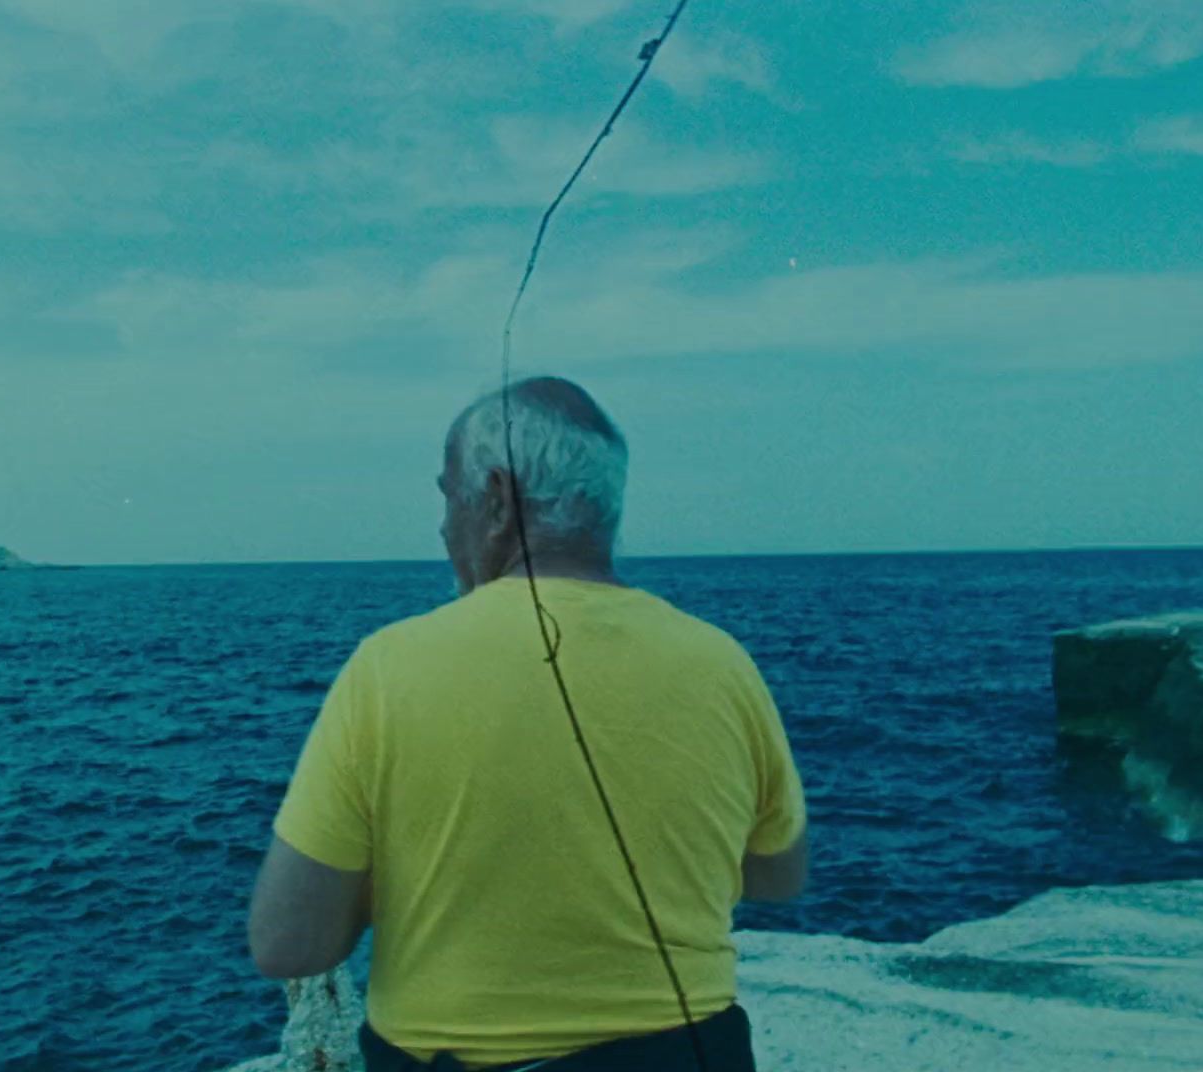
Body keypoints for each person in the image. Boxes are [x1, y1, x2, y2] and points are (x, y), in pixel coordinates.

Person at [248, 376, 809, 1071]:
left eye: (449, 495)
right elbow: (780, 877)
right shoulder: (724, 662)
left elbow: (287, 944)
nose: (443, 524)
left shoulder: (387, 667)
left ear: (496, 499)